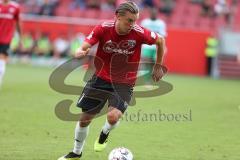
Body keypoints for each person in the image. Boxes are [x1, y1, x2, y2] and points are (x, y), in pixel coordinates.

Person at [58, 1, 166, 160]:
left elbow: (160, 41)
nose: (132, 24)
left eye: (135, 20)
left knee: (113, 116)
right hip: (100, 79)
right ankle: (76, 152)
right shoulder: (103, 28)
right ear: (118, 17)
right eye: (129, 20)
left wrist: (158, 66)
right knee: (85, 119)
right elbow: (86, 45)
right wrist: (80, 50)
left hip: (124, 82)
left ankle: (105, 132)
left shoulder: (139, 32)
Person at [141, 8, 167, 89]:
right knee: (147, 63)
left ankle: (156, 77)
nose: (153, 14)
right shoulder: (145, 22)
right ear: (150, 14)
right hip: (147, 46)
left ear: (157, 14)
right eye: (152, 13)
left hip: (157, 46)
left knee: (155, 63)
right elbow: (142, 33)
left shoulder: (161, 23)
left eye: (155, 13)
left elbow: (164, 34)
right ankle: (147, 81)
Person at [0, 0, 21, 87]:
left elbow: (17, 22)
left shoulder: (15, 7)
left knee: (2, 59)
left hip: (6, 38)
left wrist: (20, 36)